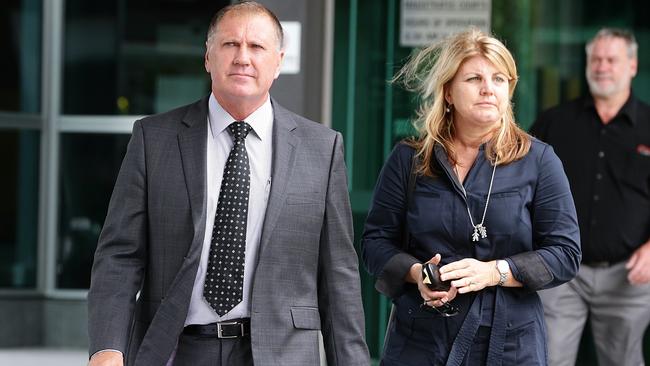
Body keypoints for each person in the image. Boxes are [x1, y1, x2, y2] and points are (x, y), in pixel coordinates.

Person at [87, 2, 370, 366]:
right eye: (230, 45)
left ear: (278, 61)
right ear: (208, 57)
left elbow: (338, 277)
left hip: (280, 353)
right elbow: (119, 256)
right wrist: (108, 348)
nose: (242, 57)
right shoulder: (153, 139)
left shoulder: (321, 148)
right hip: (177, 350)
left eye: (256, 47)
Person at [362, 28, 581, 365]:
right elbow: (376, 242)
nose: (487, 89)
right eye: (474, 78)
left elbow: (565, 253)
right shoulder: (409, 159)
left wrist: (498, 271)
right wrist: (418, 273)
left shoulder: (539, 160)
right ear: (448, 92)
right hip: (420, 339)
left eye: (499, 79)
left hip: (509, 343)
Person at [531, 28, 650, 366]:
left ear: (632, 66)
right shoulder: (554, 122)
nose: (602, 66)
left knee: (623, 362)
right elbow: (525, 185)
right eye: (595, 59)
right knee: (547, 358)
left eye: (611, 59)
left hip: (629, 274)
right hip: (560, 271)